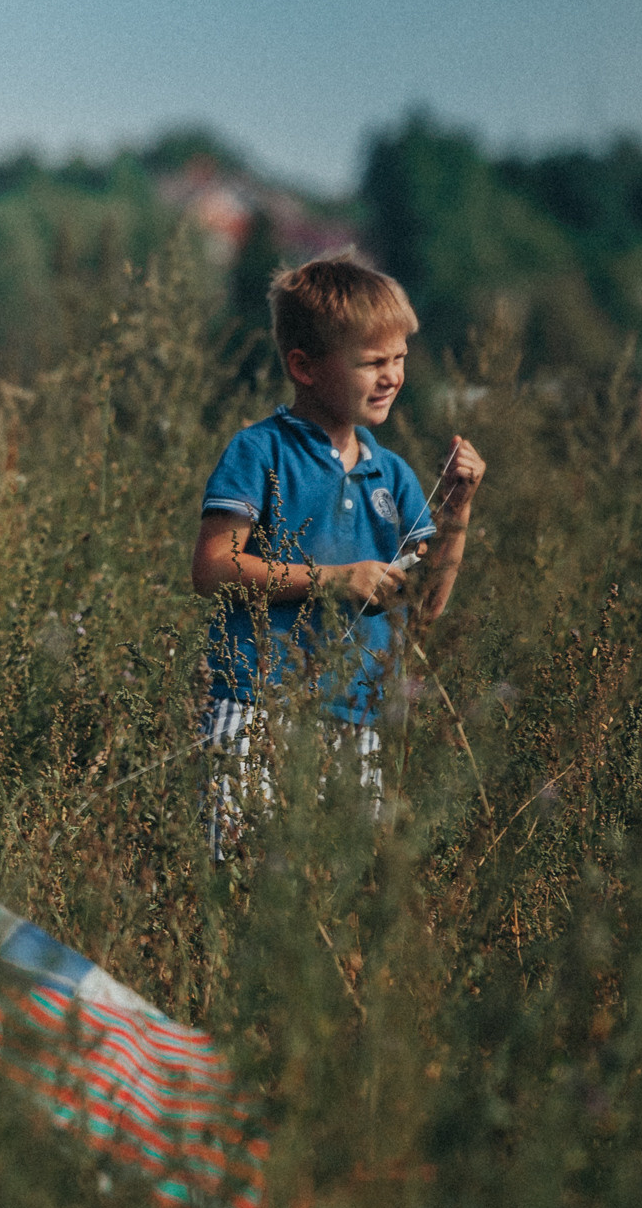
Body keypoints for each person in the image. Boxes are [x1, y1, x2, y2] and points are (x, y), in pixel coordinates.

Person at [190, 252, 485, 844]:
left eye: (399, 358)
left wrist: (457, 509)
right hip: (253, 704)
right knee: (240, 871)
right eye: (372, 362)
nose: (392, 376)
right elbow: (213, 566)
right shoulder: (259, 451)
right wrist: (334, 579)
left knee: (339, 883)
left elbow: (426, 606)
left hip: (356, 717)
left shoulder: (394, 474)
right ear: (304, 366)